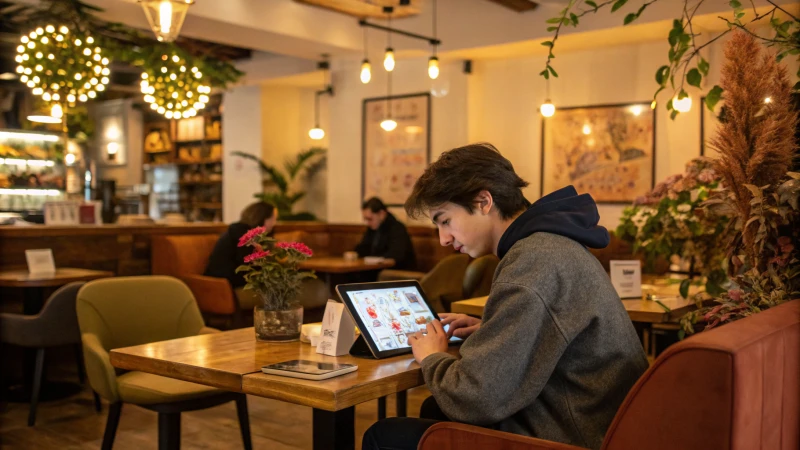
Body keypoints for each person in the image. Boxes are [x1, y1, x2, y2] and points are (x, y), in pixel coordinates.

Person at [362, 143, 648, 450]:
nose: (444, 239)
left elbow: (475, 397)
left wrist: (432, 356)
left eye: (445, 221)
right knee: (436, 409)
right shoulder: (549, 245)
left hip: (574, 435)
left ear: (484, 201)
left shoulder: (532, 261)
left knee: (383, 436)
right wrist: (493, 327)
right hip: (603, 423)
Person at [204, 201, 278, 307]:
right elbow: (246, 265)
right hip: (225, 282)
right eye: (273, 219)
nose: (274, 223)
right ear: (263, 219)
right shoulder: (242, 234)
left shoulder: (239, 231)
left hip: (229, 279)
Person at [355, 197, 416, 270]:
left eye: (370, 219)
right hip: (376, 269)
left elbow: (397, 255)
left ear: (381, 214)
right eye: (366, 219)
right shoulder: (372, 228)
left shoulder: (397, 228)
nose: (367, 223)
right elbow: (363, 248)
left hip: (397, 271)